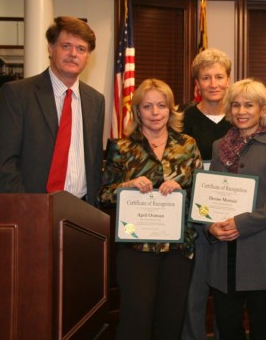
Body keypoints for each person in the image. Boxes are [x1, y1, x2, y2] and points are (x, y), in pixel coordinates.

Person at [98, 79, 203, 340]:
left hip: (178, 248)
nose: (155, 112)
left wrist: (182, 191)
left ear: (171, 109)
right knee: (136, 319)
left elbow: (202, 196)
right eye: (147, 106)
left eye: (161, 105)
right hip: (136, 248)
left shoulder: (187, 145)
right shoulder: (121, 148)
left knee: (170, 319)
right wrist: (127, 186)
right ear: (137, 111)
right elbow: (102, 195)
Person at [207, 78, 266, 340]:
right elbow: (209, 196)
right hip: (224, 253)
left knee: (263, 328)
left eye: (249, 105)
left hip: (262, 251)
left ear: (262, 109)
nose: (241, 111)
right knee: (228, 326)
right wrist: (209, 225)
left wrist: (241, 223)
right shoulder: (218, 146)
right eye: (235, 105)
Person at [0, 16, 105, 205]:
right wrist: (25, 208)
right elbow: (5, 164)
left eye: (81, 49)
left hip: (83, 210)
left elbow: (94, 164)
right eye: (66, 46)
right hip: (32, 208)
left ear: (88, 57)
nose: (73, 54)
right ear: (51, 48)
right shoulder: (17, 94)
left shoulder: (96, 101)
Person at [182, 48, 233, 340]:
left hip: (231, 217)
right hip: (194, 219)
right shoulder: (181, 120)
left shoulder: (241, 118)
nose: (213, 83)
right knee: (194, 293)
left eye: (219, 76)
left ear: (228, 80)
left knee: (228, 293)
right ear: (197, 84)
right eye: (206, 77)